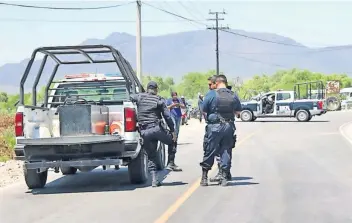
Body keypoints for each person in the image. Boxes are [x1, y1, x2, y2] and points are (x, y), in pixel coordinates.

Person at [130, 81, 177, 187]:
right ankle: (171, 162)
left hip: (144, 131)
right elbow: (167, 117)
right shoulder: (159, 99)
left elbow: (131, 96)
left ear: (147, 89)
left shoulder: (139, 97)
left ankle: (154, 180)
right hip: (156, 129)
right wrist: (173, 131)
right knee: (172, 140)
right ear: (156, 90)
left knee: (151, 156)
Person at [200, 74, 241, 187]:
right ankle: (223, 178)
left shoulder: (212, 94)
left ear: (217, 83)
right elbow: (238, 113)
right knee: (226, 151)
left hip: (214, 127)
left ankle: (204, 178)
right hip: (228, 126)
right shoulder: (233, 95)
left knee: (210, 150)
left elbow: (204, 110)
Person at [165, 92, 184, 171]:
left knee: (177, 130)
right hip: (172, 115)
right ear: (172, 96)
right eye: (174, 96)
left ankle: (175, 135)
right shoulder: (169, 100)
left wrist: (179, 104)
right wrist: (172, 106)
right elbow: (166, 108)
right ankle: (174, 136)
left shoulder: (179, 100)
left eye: (176, 96)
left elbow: (183, 106)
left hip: (178, 116)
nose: (175, 97)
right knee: (174, 130)